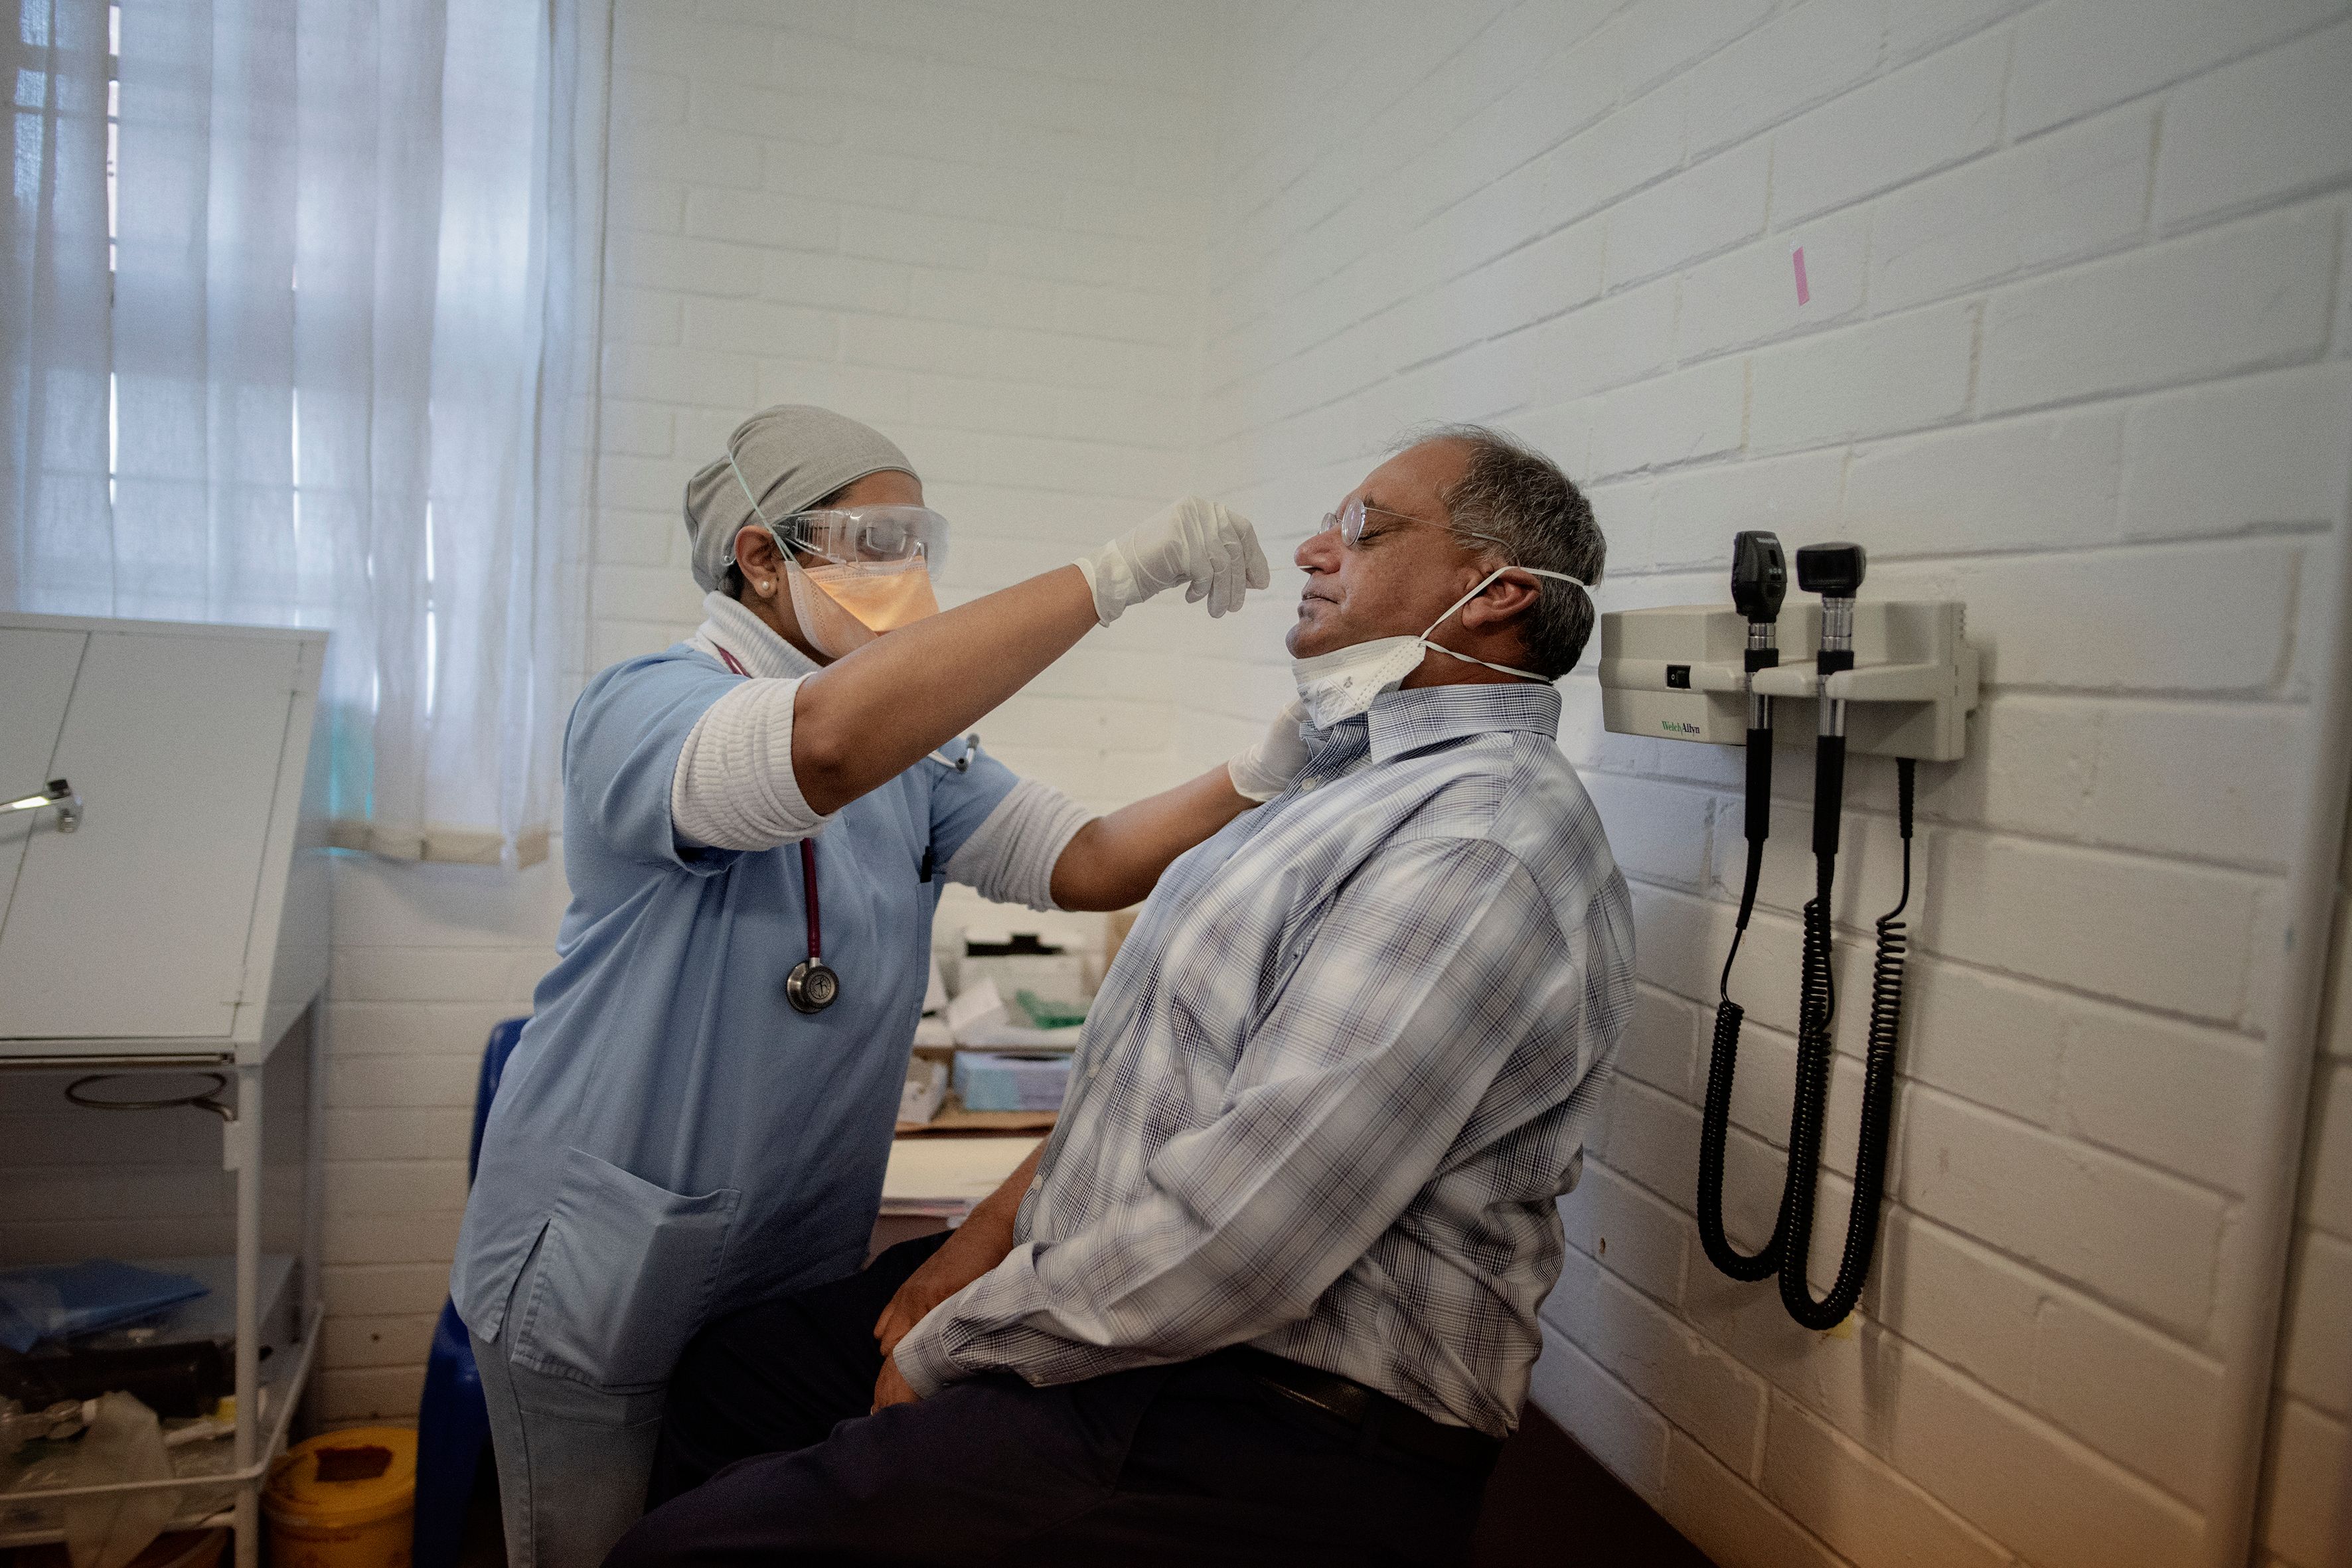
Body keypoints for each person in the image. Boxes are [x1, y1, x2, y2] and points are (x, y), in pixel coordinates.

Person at [612, 424, 1636, 1568]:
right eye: (873, 541)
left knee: (677, 1551)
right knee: (737, 1376)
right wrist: (990, 1231)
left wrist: (956, 1345)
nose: (1311, 550)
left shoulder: (1475, 841)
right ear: (757, 556)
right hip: (1143, 1318)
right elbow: (1152, 1064)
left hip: (1267, 1406)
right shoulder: (1351, 785)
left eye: (1362, 526)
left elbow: (1248, 1226)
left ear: (1493, 593)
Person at [449, 404, 1314, 1568]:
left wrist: (1267, 769)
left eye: (921, 542)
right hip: (605, 1266)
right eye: (874, 542)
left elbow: (1090, 857)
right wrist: (1113, 579)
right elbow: (818, 751)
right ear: (760, 559)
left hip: (786, 1262)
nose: (906, 572)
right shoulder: (643, 706)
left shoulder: (926, 752)